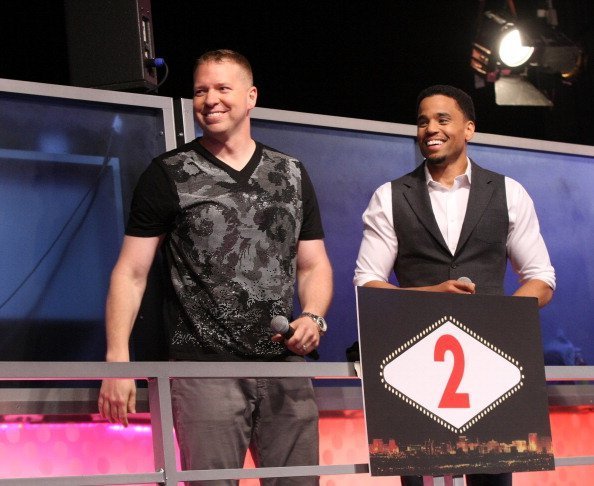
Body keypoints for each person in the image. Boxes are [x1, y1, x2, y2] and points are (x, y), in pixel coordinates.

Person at [98, 49, 333, 486]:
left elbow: (314, 264)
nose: (210, 99)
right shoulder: (168, 173)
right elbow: (130, 272)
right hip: (204, 371)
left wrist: (314, 315)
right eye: (201, 90)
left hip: (286, 368)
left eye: (223, 88)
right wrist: (118, 361)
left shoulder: (292, 173)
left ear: (250, 97)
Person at [353, 85, 555, 486]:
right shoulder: (389, 197)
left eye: (443, 119)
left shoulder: (508, 192)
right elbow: (367, 285)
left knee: (493, 478)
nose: (431, 128)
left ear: (469, 128)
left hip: (492, 370)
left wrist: (498, 321)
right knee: (421, 479)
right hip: (415, 371)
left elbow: (541, 279)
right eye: (423, 120)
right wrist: (433, 296)